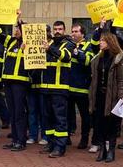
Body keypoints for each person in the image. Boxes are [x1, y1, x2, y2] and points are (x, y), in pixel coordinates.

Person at [88, 32, 123, 163]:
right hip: (99, 95)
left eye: (103, 41)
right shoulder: (98, 58)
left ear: (110, 42)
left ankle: (111, 150)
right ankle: (103, 150)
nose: (100, 43)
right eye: (100, 40)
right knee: (100, 123)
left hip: (113, 96)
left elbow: (122, 80)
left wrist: (122, 96)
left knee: (112, 124)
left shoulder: (118, 59)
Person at [40, 21, 74, 157]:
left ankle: (60, 147)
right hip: (46, 87)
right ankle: (51, 143)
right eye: (56, 29)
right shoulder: (50, 43)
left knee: (60, 118)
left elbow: (65, 57)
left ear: (64, 30)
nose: (58, 31)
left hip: (60, 88)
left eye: (60, 29)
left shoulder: (69, 44)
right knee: (48, 118)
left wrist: (49, 49)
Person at [0, 14, 31, 152]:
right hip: (8, 82)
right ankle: (15, 140)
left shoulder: (30, 44)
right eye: (15, 28)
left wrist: (20, 19)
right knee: (12, 112)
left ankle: (21, 141)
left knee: (19, 112)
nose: (15, 31)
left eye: (18, 28)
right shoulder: (10, 42)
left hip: (20, 83)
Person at [68, 22, 101, 150]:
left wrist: (77, 52)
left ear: (82, 33)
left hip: (82, 87)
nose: (73, 34)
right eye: (72, 31)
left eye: (76, 31)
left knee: (84, 116)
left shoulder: (88, 46)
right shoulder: (68, 44)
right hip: (68, 86)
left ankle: (84, 138)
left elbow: (88, 61)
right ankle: (66, 138)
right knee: (67, 115)